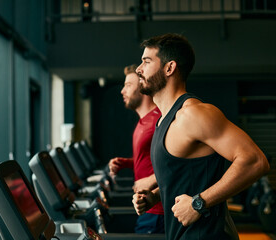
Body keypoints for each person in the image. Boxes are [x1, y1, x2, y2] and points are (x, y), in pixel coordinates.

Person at [131, 33, 270, 240]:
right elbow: (186, 176)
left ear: (169, 68)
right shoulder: (163, 120)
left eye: (147, 61)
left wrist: (199, 202)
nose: (138, 69)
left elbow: (255, 161)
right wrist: (156, 196)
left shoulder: (193, 114)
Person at [108, 64, 164, 233]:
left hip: (158, 210)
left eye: (128, 85)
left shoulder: (158, 121)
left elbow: (178, 163)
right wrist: (127, 163)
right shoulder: (143, 122)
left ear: (142, 87)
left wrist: (152, 180)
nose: (122, 91)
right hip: (146, 206)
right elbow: (153, 159)